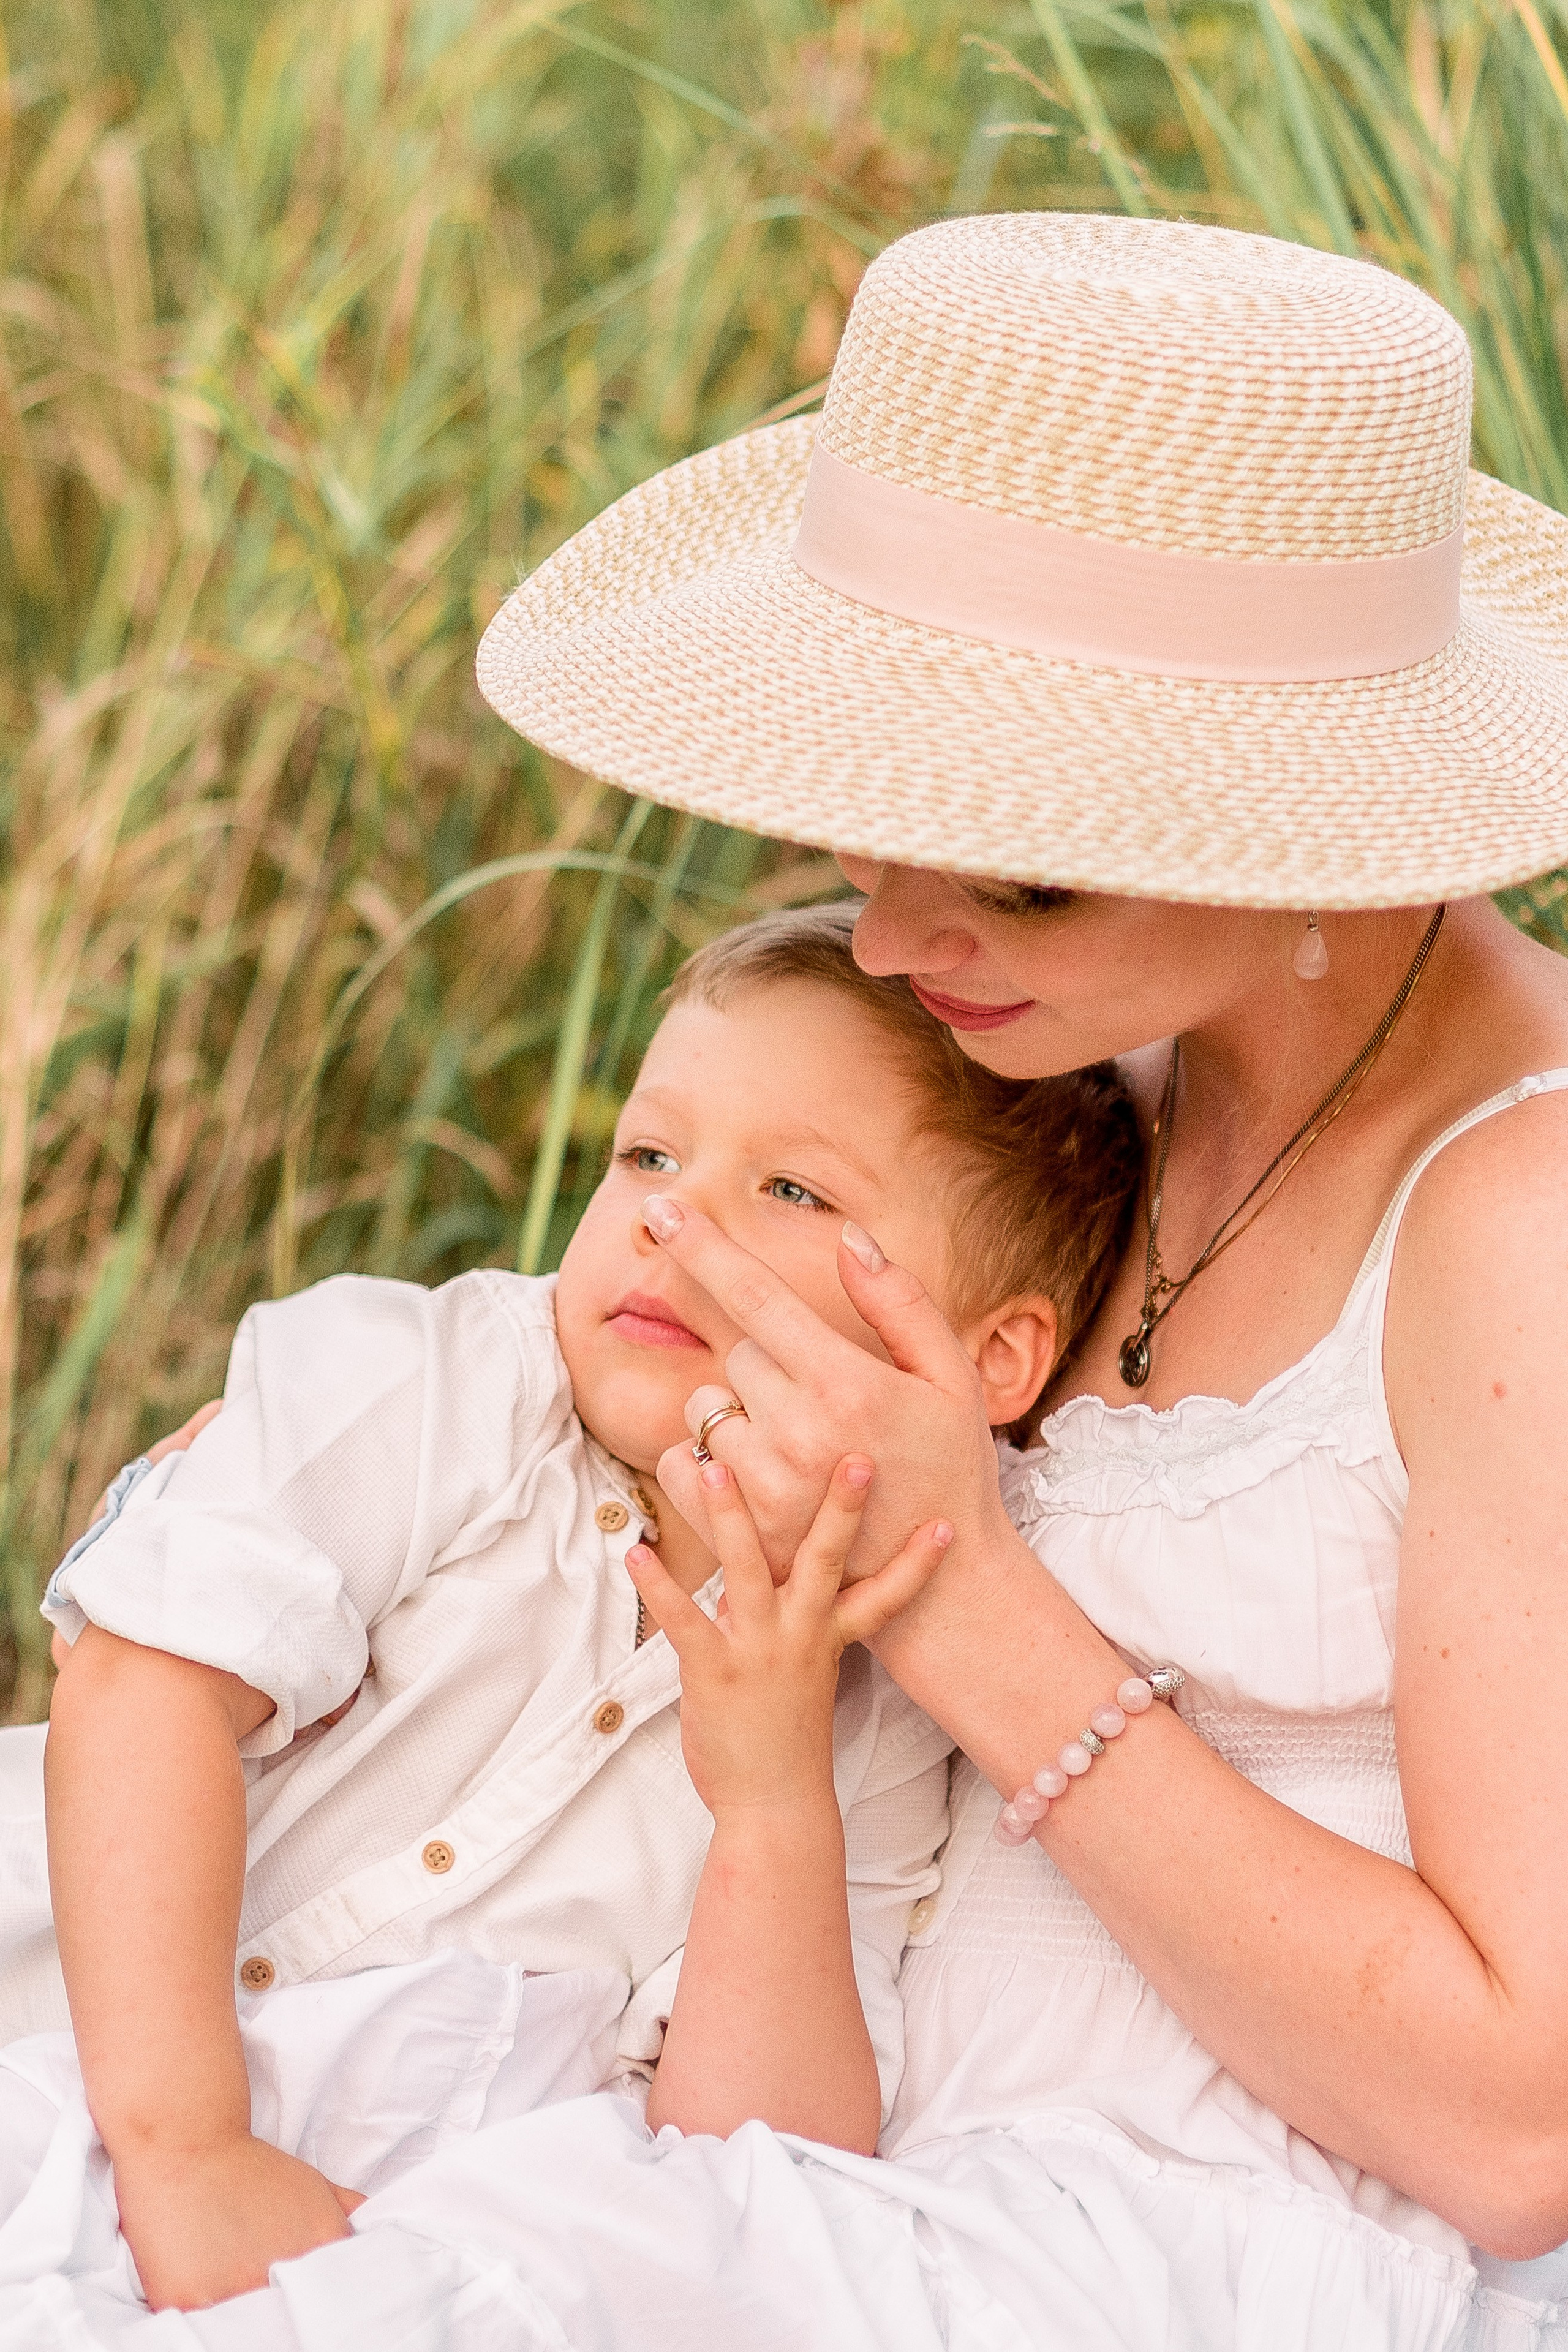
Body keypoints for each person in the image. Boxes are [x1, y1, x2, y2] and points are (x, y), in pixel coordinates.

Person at [420, 210, 1565, 2349]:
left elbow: (1524, 2129)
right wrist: (395, 1420)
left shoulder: (1523, 1229)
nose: (880, 942)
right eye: (867, 826)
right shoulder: (1080, 1077)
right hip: (806, 2103)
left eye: (1017, 870)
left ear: (1312, 828)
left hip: (1219, 2251)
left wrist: (963, 1590)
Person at [3, 900, 1139, 2316]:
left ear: (989, 1358)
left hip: (353, 2232)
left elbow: (751, 2156)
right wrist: (185, 2150)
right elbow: (141, 1687)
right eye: (648, 1154)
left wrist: (771, 1796)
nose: (672, 1218)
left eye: (793, 1192)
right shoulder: (441, 1382)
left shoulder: (888, 1691)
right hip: (57, 2023)